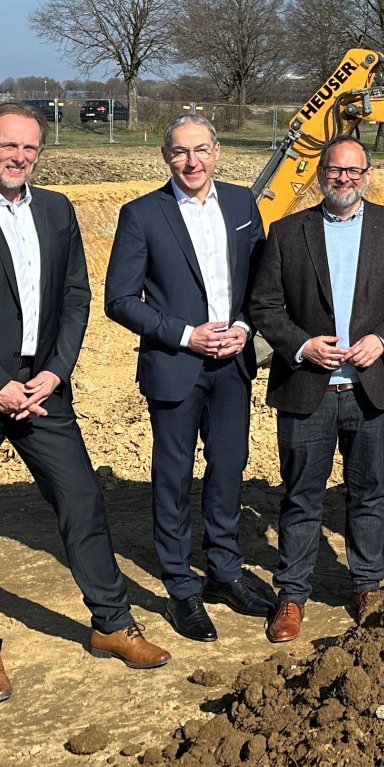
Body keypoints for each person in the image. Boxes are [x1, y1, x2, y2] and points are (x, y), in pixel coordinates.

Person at [0, 103, 169, 705]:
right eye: (9, 146)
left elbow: (76, 297)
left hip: (43, 388)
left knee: (82, 500)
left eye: (31, 148)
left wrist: (54, 371)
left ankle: (111, 623)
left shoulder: (56, 210)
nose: (20, 157)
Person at [248, 138, 384, 641]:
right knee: (301, 495)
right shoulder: (287, 233)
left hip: (372, 387)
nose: (343, 179)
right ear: (320, 174)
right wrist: (303, 346)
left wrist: (383, 338)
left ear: (368, 174)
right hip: (309, 388)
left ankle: (367, 584)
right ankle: (292, 595)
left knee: (368, 491)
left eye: (353, 171)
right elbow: (265, 306)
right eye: (334, 170)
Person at [104, 113, 276, 643]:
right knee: (174, 479)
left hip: (233, 365)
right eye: (181, 152)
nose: (192, 162)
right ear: (166, 157)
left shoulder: (244, 206)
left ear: (217, 152)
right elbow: (120, 299)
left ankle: (224, 572)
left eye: (201, 150)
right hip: (176, 366)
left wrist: (246, 326)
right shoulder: (141, 215)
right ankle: (181, 587)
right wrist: (184, 335)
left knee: (229, 469)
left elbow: (262, 282)